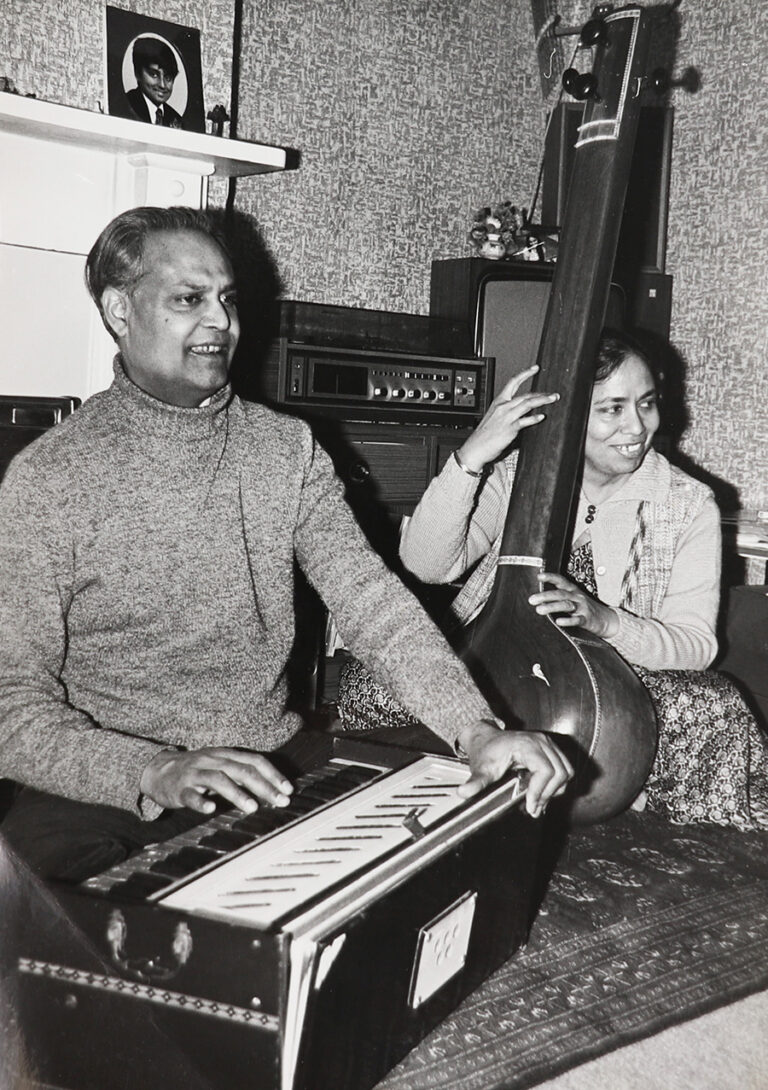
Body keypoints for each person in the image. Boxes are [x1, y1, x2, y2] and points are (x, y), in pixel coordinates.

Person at [0, 206, 571, 883]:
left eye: (228, 300)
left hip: (272, 759)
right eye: (189, 300)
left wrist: (475, 729)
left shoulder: (285, 449)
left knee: (464, 826)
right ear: (120, 309)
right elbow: (11, 704)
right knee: (39, 915)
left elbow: (371, 602)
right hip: (112, 784)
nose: (221, 321)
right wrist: (153, 769)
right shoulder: (48, 478)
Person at [340, 331, 768, 831]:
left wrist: (608, 622)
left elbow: (696, 646)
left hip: (619, 688)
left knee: (717, 707)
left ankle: (588, 778)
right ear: (566, 416)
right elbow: (427, 564)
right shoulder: (521, 473)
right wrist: (470, 459)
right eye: (612, 408)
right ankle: (571, 774)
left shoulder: (687, 503)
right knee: (373, 678)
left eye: (647, 403)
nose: (637, 426)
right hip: (501, 664)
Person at [125, 38, 184, 129]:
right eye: (154, 75)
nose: (162, 85)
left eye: (168, 78)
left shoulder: (177, 119)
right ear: (137, 73)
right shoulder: (126, 106)